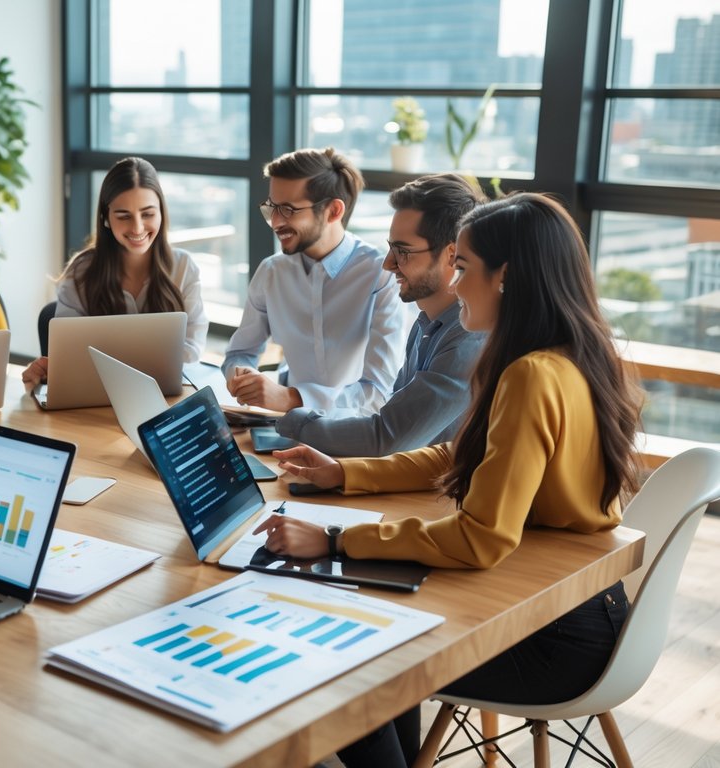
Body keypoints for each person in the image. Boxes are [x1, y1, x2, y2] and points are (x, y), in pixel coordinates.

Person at [254, 193, 642, 768]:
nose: (454, 283)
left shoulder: (532, 374)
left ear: (505, 278)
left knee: (355, 661)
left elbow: (481, 538)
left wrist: (335, 540)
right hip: (576, 604)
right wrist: (345, 473)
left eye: (463, 267)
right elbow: (458, 454)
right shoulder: (567, 353)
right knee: (378, 630)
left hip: (554, 638)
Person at [271, 173, 487, 455]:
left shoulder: (467, 338)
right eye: (389, 248)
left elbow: (386, 437)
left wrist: (291, 420)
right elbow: (388, 418)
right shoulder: (426, 324)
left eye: (402, 251)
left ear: (451, 254)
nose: (388, 264)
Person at [224, 147, 407, 414]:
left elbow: (379, 391)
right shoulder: (271, 273)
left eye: (288, 209)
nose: (275, 222)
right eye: (272, 207)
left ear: (333, 211)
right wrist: (242, 377)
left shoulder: (381, 274)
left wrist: (291, 398)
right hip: (289, 426)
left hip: (360, 432)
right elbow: (239, 353)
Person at [21, 157, 208, 386]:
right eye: (124, 216)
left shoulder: (184, 267)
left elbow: (192, 351)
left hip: (165, 396)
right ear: (106, 218)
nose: (137, 228)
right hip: (96, 395)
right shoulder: (82, 272)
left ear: (161, 213)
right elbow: (69, 353)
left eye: (148, 214)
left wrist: (115, 363)